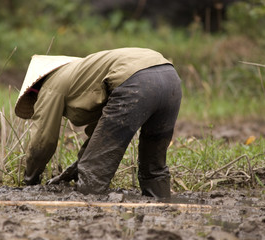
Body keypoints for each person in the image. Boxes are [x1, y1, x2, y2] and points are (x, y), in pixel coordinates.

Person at [15, 48, 182, 199]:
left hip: (135, 81)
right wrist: (77, 167)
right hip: (170, 77)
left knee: (92, 178)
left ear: (33, 88)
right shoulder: (84, 75)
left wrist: (31, 181)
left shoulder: (49, 87)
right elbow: (101, 135)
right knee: (154, 169)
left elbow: (43, 140)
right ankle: (163, 209)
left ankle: (93, 223)